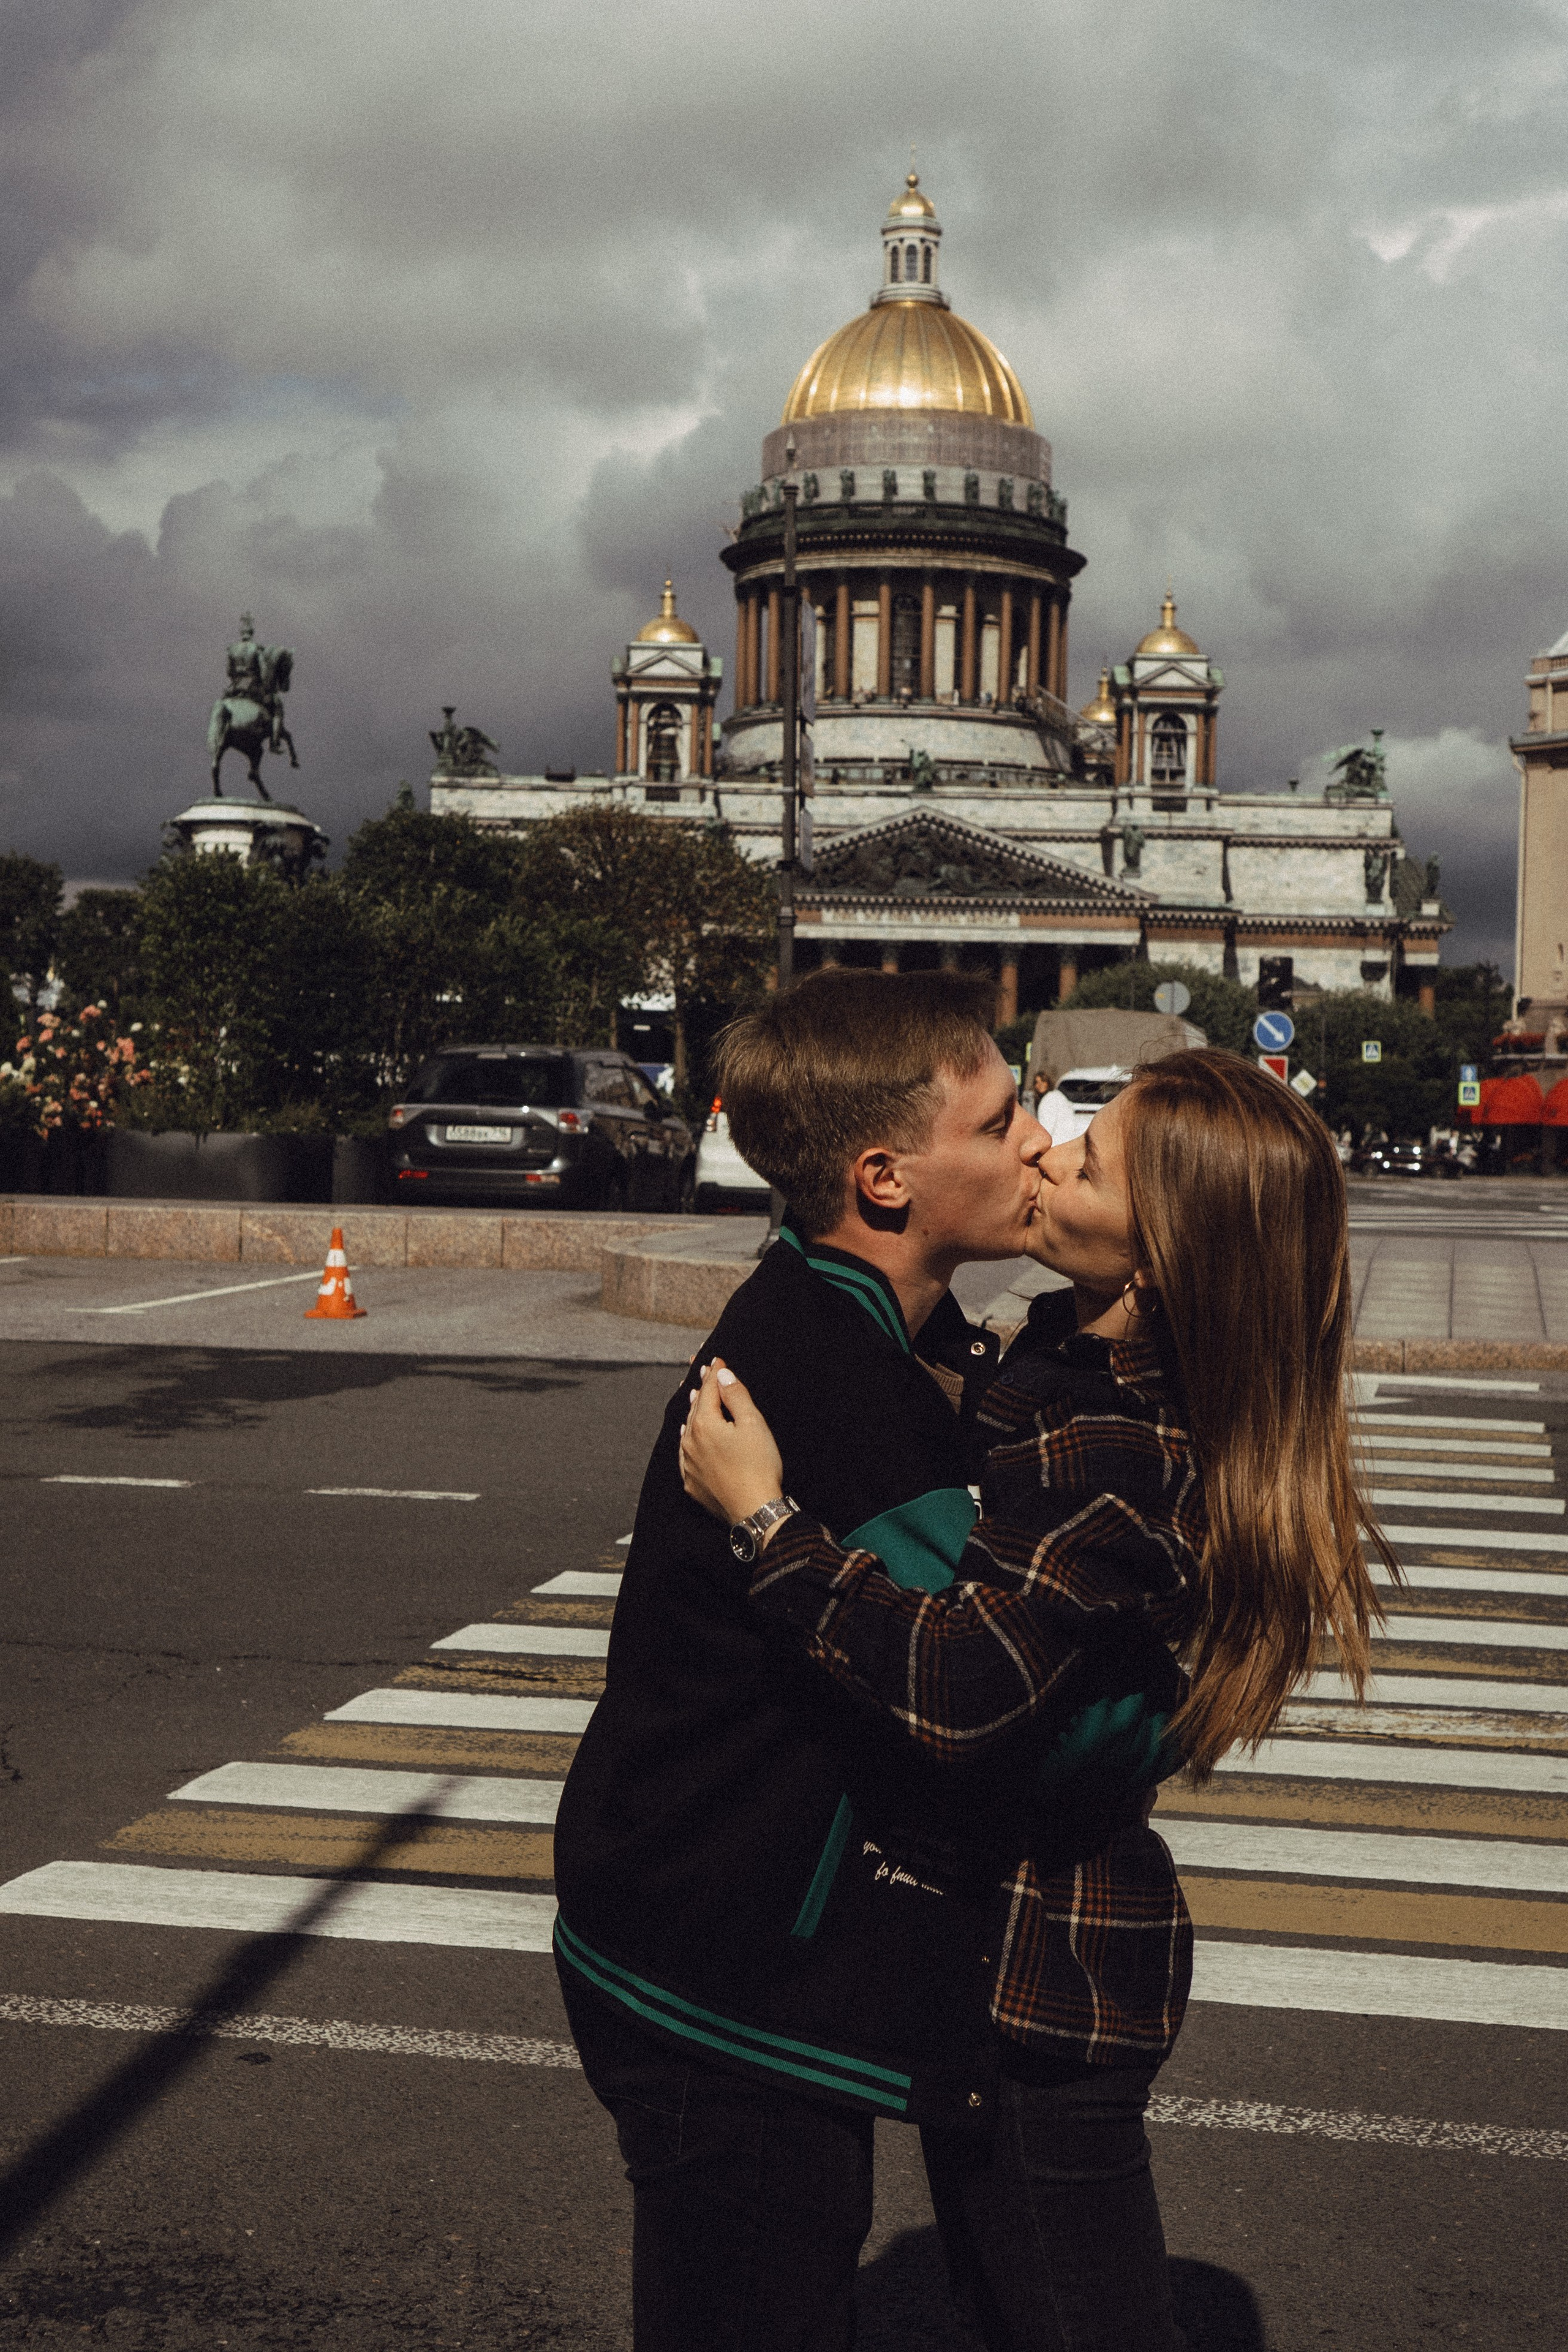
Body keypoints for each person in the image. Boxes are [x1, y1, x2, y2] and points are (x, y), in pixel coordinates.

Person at [680, 1047, 1397, 2352]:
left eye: (1085, 1157)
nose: (1045, 1150)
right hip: (996, 1952)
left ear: (1162, 1252)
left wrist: (764, 1524)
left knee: (1073, 2319)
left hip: (1047, 1977)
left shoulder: (1122, 1445)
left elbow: (961, 1685)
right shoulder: (1059, 1348)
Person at [554, 969, 1122, 2352]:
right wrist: (1156, 1714)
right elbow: (996, 1698)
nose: (1038, 1146)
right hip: (728, 1964)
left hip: (716, 1925)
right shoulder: (834, 1376)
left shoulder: (871, 1331)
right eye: (997, 1126)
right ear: (884, 1177)